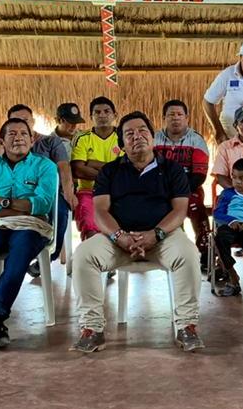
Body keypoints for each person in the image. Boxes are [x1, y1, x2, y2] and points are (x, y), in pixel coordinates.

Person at [71, 112, 205, 354]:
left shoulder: (172, 169)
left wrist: (156, 234)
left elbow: (179, 210)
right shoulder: (110, 171)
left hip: (163, 238)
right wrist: (119, 236)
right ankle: (92, 329)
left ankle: (187, 326)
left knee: (188, 253)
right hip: (118, 240)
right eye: (129, 133)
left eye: (142, 130)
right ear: (121, 144)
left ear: (152, 137)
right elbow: (100, 211)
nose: (137, 136)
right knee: (83, 255)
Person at [0, 118, 58, 350]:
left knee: (23, 245)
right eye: (12, 134)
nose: (19, 138)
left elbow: (42, 204)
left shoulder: (45, 166)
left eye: (24, 134)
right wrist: (21, 207)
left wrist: (3, 201)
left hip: (31, 226)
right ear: (1, 141)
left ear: (32, 139)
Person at [3, 104, 78, 273]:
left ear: (33, 121)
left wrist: (68, 192)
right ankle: (12, 257)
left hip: (48, 192)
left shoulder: (50, 141)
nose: (21, 124)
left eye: (25, 120)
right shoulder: (6, 143)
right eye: (15, 121)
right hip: (15, 194)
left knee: (60, 210)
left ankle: (48, 255)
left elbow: (64, 167)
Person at [153, 99, 212, 269]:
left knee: (195, 206)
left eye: (179, 114)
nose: (175, 118)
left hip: (189, 187)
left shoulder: (196, 140)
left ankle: (205, 251)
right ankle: (178, 250)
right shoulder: (154, 139)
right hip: (160, 189)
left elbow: (199, 175)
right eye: (171, 114)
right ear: (164, 117)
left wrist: (178, 192)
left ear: (186, 117)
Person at [70, 96, 122, 240]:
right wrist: (111, 172)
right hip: (88, 192)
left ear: (115, 115)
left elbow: (126, 169)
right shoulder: (83, 138)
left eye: (106, 111)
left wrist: (91, 163)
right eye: (97, 112)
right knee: (90, 229)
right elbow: (78, 170)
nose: (102, 115)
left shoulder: (123, 136)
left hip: (119, 193)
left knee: (123, 230)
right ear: (91, 116)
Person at [212, 158, 243, 297]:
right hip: (230, 227)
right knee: (220, 238)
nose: (237, 181)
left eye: (242, 178)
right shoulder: (228, 194)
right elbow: (217, 213)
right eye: (234, 177)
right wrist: (231, 221)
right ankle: (232, 275)